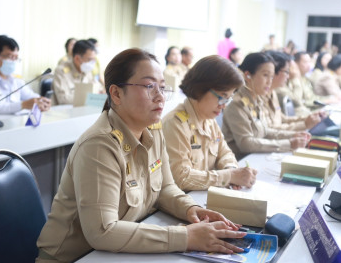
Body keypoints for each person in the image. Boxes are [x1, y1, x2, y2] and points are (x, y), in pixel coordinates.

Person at [36, 48, 246, 262]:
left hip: (117, 253)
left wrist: (191, 209)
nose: (160, 96)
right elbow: (103, 231)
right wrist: (186, 236)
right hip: (75, 258)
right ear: (116, 94)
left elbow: (166, 187)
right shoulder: (99, 146)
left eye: (162, 87)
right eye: (149, 86)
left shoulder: (153, 130)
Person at [162, 55, 257, 191]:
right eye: (222, 97)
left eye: (228, 99)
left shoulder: (209, 120)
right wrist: (228, 176)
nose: (223, 106)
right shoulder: (175, 124)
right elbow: (181, 177)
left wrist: (231, 169)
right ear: (200, 88)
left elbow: (225, 153)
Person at [222, 52, 310, 159]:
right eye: (265, 75)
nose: (269, 81)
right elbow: (245, 143)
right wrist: (289, 143)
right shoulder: (237, 103)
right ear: (248, 75)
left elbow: (265, 131)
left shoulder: (257, 98)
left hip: (256, 156)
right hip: (240, 162)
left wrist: (293, 135)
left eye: (272, 77)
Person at [0, 35, 51, 117]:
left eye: (16, 58)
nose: (13, 61)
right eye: (10, 57)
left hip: (12, 126)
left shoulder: (16, 80)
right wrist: (21, 105)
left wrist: (41, 102)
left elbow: (31, 96)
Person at [263, 51, 322, 131]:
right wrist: (304, 124)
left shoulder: (272, 92)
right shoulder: (273, 91)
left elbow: (282, 118)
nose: (289, 75)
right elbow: (270, 130)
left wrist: (308, 119)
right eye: (286, 71)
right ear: (274, 72)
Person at [53, 40, 98, 104]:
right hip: (66, 112)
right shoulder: (61, 72)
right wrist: (91, 98)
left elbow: (96, 90)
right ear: (77, 59)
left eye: (94, 59)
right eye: (89, 59)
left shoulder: (87, 70)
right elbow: (63, 100)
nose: (92, 63)